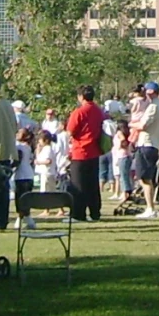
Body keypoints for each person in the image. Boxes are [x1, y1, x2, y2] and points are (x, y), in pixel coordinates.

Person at [65, 85, 105, 221]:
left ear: (81, 97)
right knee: (93, 185)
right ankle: (95, 213)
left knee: (78, 185)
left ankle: (78, 214)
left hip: (80, 152)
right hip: (94, 151)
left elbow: (70, 131)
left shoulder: (79, 112)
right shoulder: (98, 111)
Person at [134, 91, 159, 218]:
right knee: (146, 178)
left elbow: (143, 125)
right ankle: (150, 207)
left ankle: (150, 208)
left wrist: (132, 124)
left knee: (145, 178)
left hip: (146, 144)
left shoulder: (153, 106)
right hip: (154, 145)